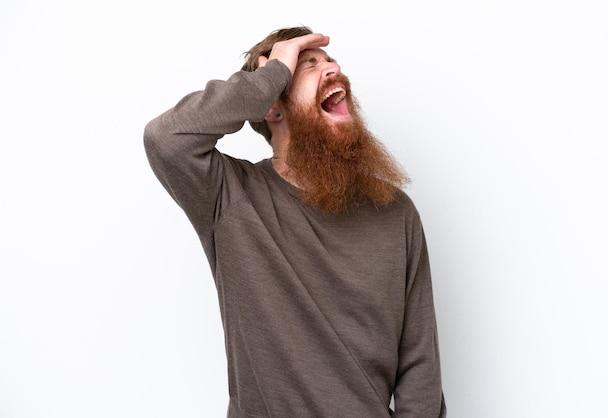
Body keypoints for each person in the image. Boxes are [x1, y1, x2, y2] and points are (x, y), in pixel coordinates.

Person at [144, 26, 446, 417]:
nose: (333, 69)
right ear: (272, 107)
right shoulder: (231, 197)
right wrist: (269, 78)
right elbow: (165, 138)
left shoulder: (395, 210)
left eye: (330, 61)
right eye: (308, 65)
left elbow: (420, 366)